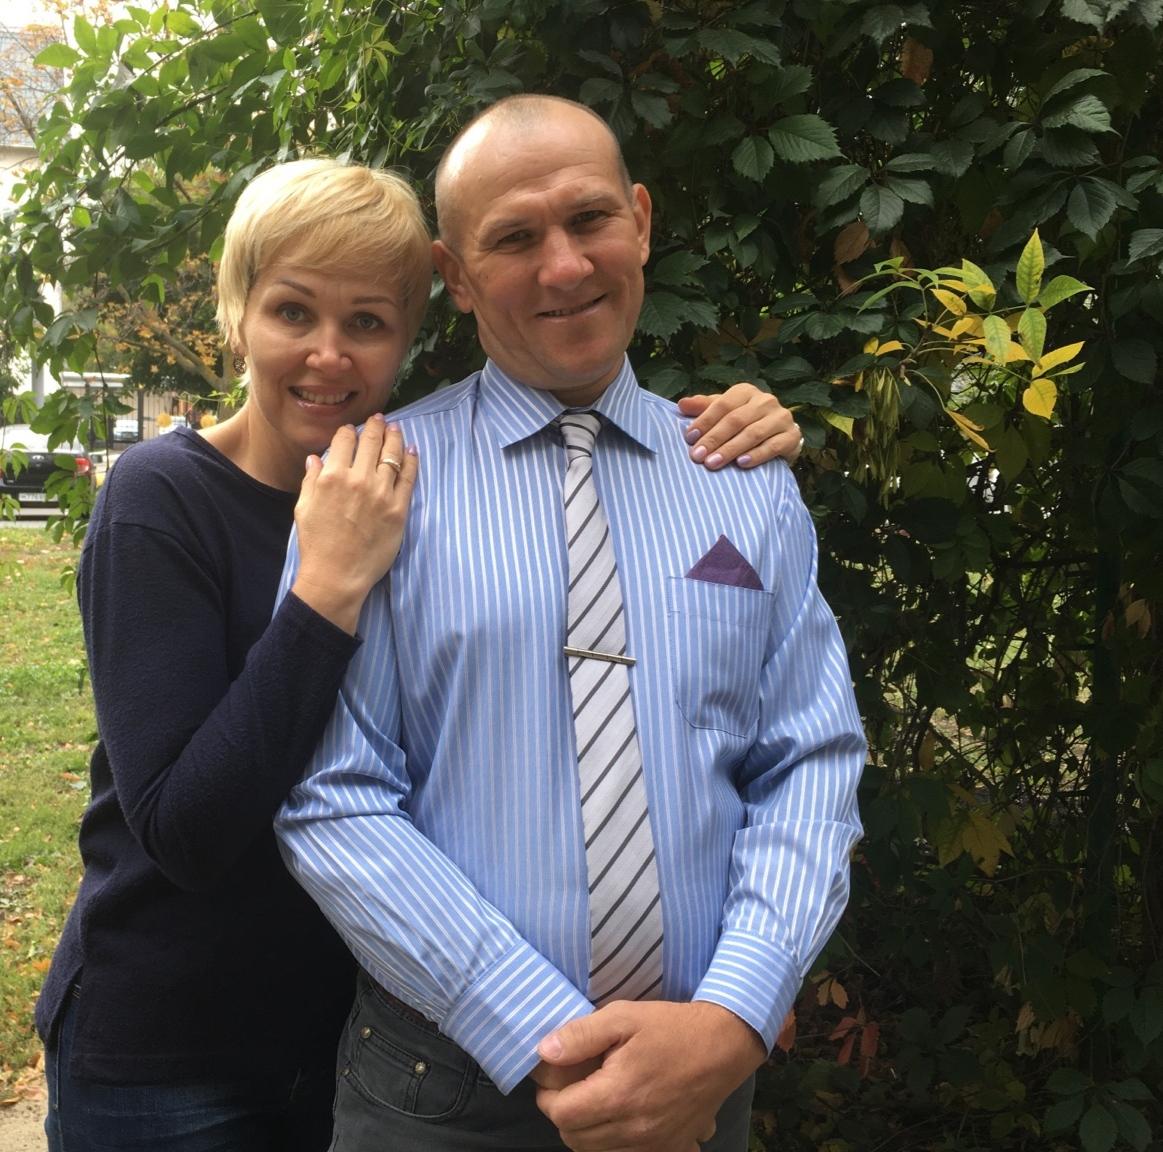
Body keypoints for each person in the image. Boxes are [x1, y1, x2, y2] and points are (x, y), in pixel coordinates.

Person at [36, 154, 802, 1151]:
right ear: (236, 315)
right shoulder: (161, 499)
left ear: (408, 337)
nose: (328, 355)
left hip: (361, 1036)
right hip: (173, 1049)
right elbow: (185, 832)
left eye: (367, 322)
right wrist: (326, 587)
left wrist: (731, 437)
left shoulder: (423, 482)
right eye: (291, 312)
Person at [274, 96, 865, 1152]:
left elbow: (809, 760)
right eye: (513, 239)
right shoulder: (373, 485)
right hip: (442, 1095)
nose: (563, 266)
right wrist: (541, 1031)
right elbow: (329, 792)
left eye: (589, 219)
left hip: (697, 1080)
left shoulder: (743, 481)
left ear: (639, 221)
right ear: (455, 276)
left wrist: (733, 1017)